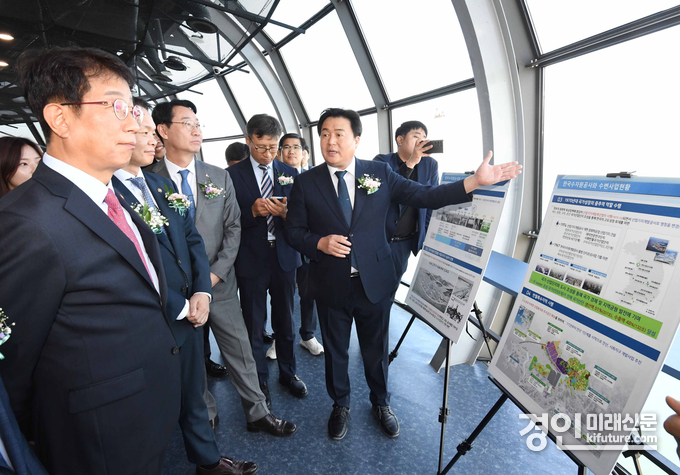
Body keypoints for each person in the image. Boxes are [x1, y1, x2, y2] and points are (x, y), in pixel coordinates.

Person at [284, 108, 522, 441]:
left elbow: (426, 196)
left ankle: (381, 403)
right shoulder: (306, 182)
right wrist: (319, 243)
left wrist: (475, 182)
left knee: (376, 349)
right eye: (324, 134)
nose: (330, 141)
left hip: (374, 280)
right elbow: (293, 232)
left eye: (339, 134)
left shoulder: (379, 172)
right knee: (335, 351)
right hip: (330, 282)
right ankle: (340, 404)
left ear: (356, 140)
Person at [0, 46, 182, 474]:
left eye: (133, 109)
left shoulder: (114, 195)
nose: (133, 123)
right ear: (60, 118)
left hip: (146, 413)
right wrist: (37, 439)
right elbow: (13, 361)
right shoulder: (25, 222)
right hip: (95, 439)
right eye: (116, 106)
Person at [112, 98, 257, 475]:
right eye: (142, 132)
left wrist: (203, 289)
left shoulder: (162, 185)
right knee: (163, 395)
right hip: (159, 311)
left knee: (201, 381)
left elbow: (194, 237)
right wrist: (181, 300)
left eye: (150, 132)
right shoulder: (110, 192)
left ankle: (213, 457)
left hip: (203, 295)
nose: (151, 140)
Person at [149, 100, 296, 437]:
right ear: (163, 130)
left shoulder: (217, 176)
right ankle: (205, 411)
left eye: (198, 123)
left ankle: (258, 412)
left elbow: (233, 229)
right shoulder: (147, 180)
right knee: (190, 354)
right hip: (176, 290)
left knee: (240, 347)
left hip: (220, 281)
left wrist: (213, 276)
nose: (197, 130)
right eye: (187, 124)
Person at [227, 115, 307, 403]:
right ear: (248, 140)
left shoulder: (291, 172)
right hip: (251, 258)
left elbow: (304, 216)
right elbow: (225, 220)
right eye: (261, 147)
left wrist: (287, 214)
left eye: (274, 148)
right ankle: (258, 380)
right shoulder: (230, 176)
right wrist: (252, 212)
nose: (268, 154)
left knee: (285, 319)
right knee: (253, 323)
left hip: (284, 256)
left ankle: (288, 372)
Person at [373, 121, 438, 295]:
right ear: (400, 140)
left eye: (424, 138)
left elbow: (431, 201)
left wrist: (424, 234)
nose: (421, 141)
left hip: (404, 243)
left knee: (391, 288)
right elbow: (384, 193)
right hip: (379, 239)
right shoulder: (382, 162)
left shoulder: (430, 165)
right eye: (416, 136)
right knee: (370, 287)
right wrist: (411, 162)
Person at [278, 133, 324, 356]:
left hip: (307, 244)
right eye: (286, 147)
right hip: (282, 243)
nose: (291, 151)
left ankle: (308, 335)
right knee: (282, 296)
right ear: (280, 153)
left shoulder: (315, 178)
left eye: (296, 147)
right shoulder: (273, 176)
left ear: (305, 153)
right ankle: (278, 338)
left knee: (309, 292)